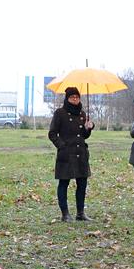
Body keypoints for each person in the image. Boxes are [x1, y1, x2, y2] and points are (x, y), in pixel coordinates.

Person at [48, 87, 95, 222]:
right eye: (72, 97)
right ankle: (65, 214)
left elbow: (84, 136)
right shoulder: (60, 113)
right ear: (67, 98)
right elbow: (52, 134)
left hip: (81, 154)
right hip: (66, 154)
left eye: (77, 97)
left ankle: (80, 213)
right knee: (64, 183)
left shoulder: (82, 114)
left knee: (82, 184)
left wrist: (88, 128)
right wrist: (62, 146)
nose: (75, 99)